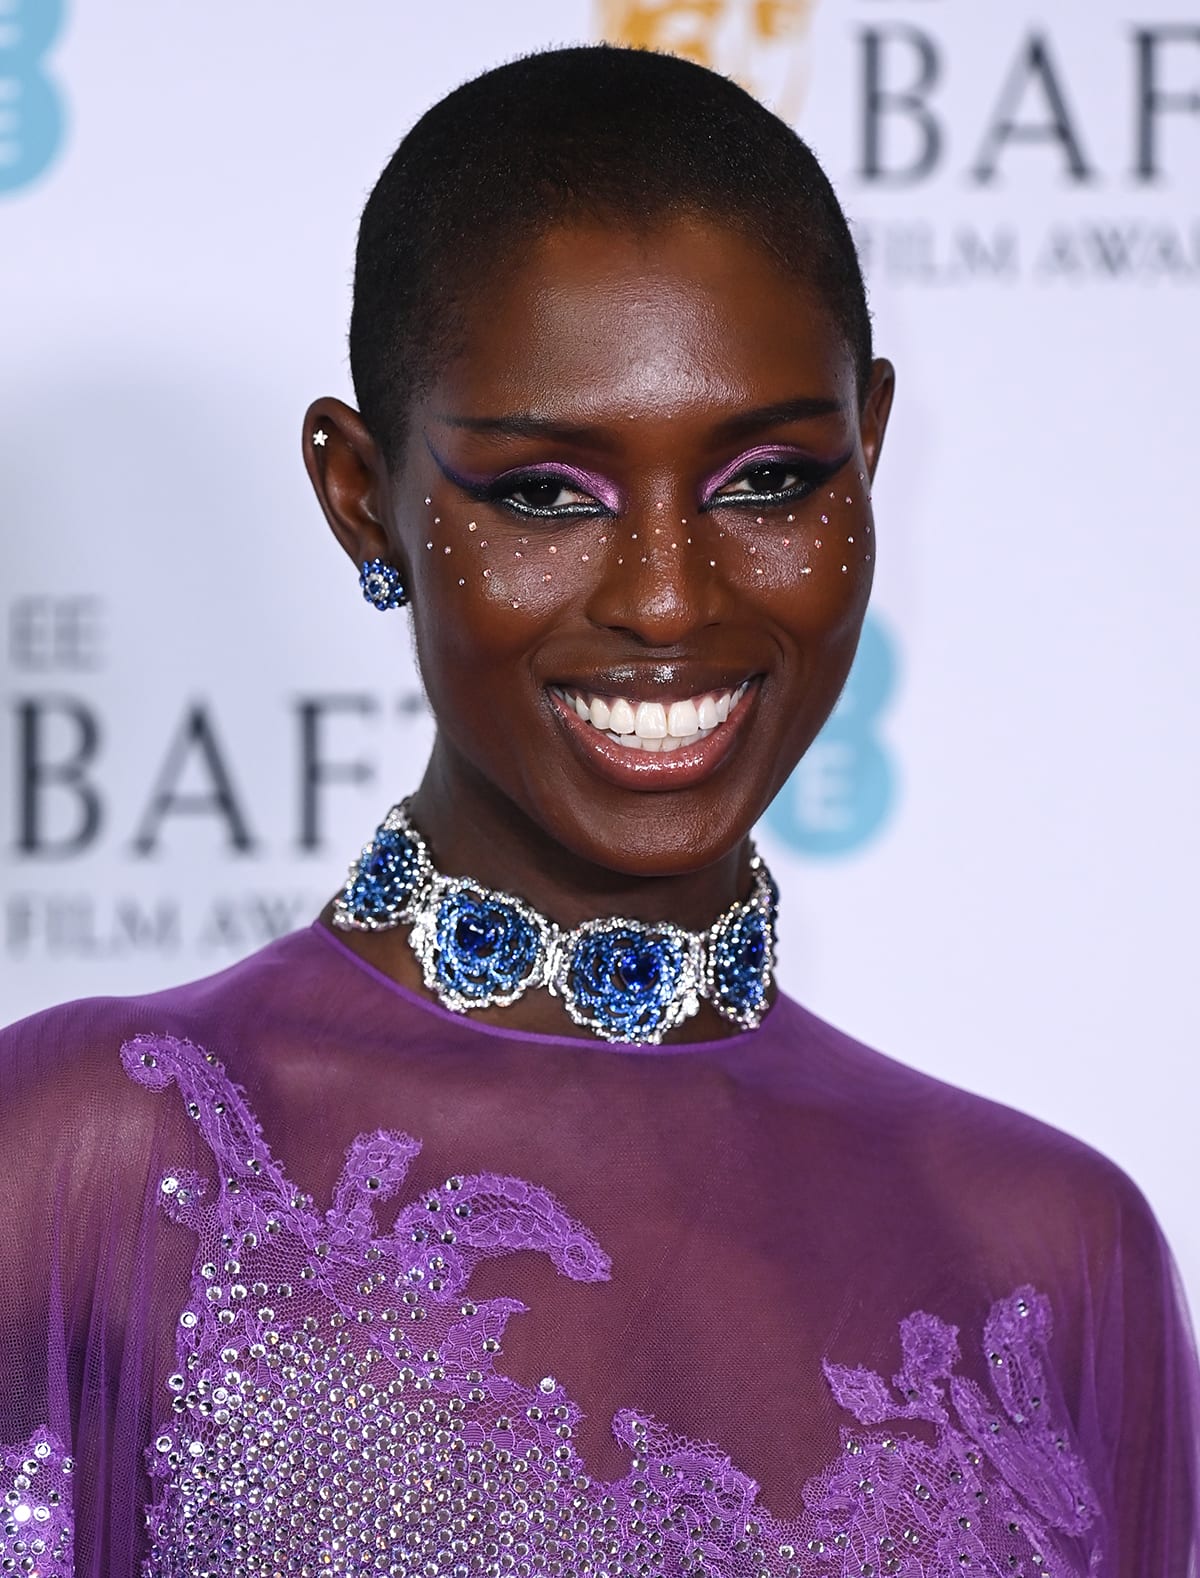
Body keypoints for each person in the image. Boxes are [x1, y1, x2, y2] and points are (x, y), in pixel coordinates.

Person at [0, 43, 1195, 1578]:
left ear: (872, 450)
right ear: (361, 491)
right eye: (547, 493)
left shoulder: (1057, 1257)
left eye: (768, 480)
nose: (665, 598)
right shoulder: (91, 1152)